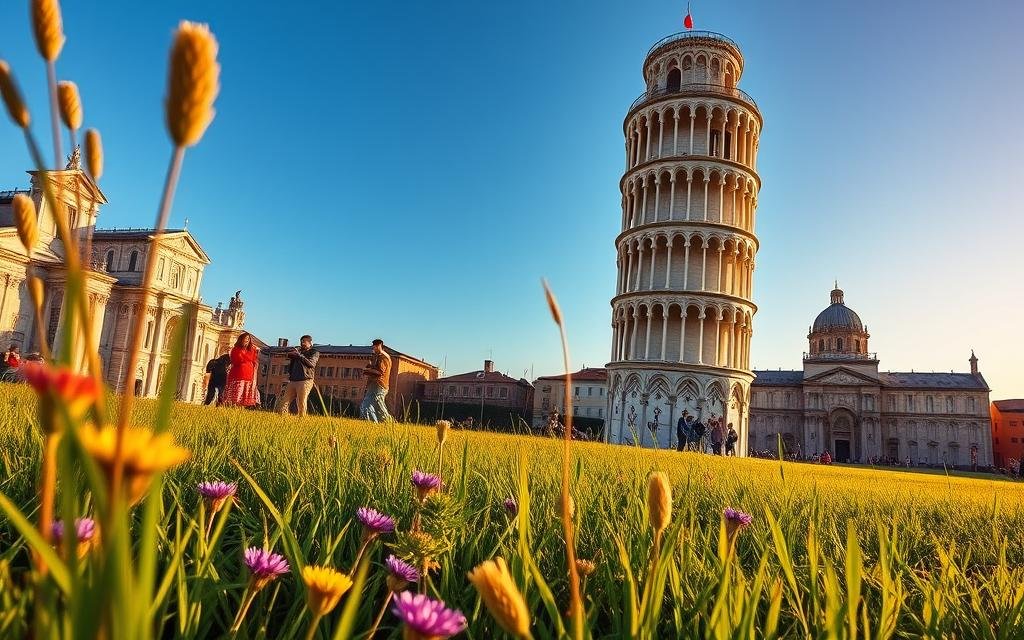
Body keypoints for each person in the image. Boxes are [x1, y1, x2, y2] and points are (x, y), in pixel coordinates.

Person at [278, 335, 319, 417]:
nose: (302, 343)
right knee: (284, 401)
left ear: (310, 343)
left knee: (301, 402)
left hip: (305, 380)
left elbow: (311, 364)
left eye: (304, 341)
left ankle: (301, 419)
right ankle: (282, 419)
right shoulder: (299, 352)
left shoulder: (314, 352)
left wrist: (299, 356)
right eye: (301, 341)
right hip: (293, 380)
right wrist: (292, 355)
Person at [223, 332, 261, 408]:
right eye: (245, 338)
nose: (247, 340)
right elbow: (236, 360)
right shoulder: (236, 349)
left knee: (244, 399)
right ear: (241, 340)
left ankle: (241, 409)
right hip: (238, 375)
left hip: (249, 376)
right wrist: (244, 354)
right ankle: (233, 408)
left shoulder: (252, 350)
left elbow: (254, 361)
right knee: (236, 398)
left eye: (248, 339)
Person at [360, 339, 393, 423]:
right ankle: (389, 424)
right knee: (379, 407)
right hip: (378, 385)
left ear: (379, 346)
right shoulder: (378, 356)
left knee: (366, 405)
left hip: (378, 385)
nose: (373, 348)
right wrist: (370, 367)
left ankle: (372, 424)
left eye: (374, 346)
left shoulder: (383, 357)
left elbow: (380, 372)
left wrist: (367, 370)